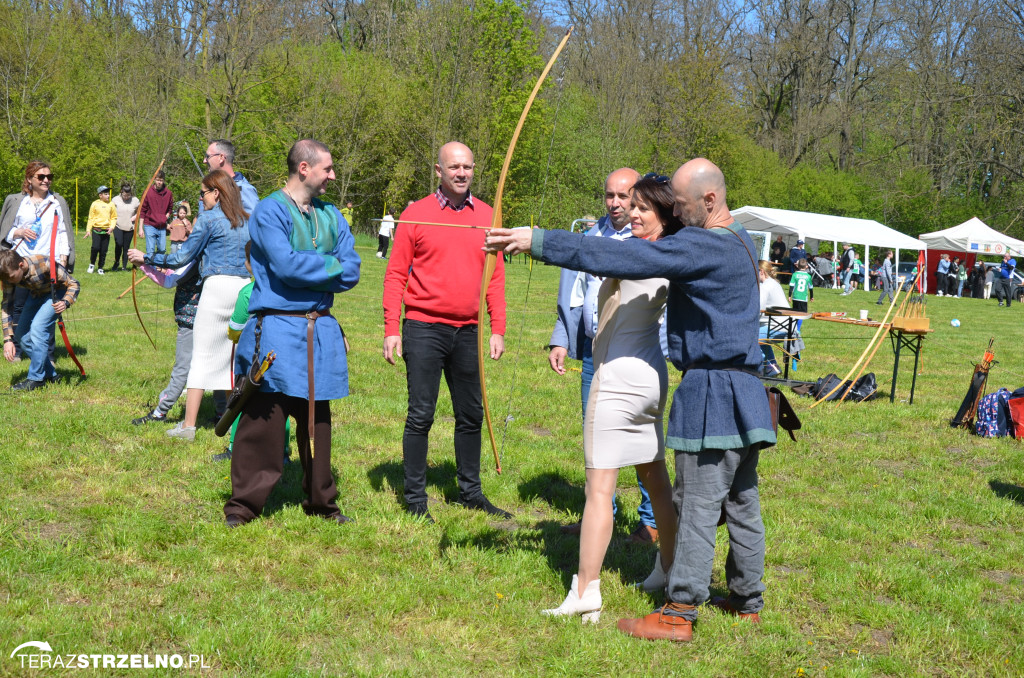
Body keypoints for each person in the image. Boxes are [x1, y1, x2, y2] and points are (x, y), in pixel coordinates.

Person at [487, 157, 775, 642]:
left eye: (681, 206)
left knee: (699, 504)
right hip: (747, 390)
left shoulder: (703, 244)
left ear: (709, 201)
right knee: (743, 502)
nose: (677, 216)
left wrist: (537, 241)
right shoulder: (741, 238)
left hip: (715, 392)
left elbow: (624, 257)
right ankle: (747, 601)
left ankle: (679, 612)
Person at [541, 174, 680, 622]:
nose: (632, 213)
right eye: (629, 205)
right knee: (655, 478)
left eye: (642, 208)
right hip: (650, 379)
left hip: (617, 377)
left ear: (662, 215)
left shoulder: (637, 252)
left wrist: (532, 240)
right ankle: (669, 567)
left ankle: (586, 590)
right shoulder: (671, 253)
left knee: (598, 489)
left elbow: (592, 252)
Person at [223, 139, 360, 527]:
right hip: (278, 328)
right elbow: (286, 267)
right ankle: (244, 506)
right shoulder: (269, 211)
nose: (333, 176)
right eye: (327, 169)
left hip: (320, 330)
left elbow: (353, 269)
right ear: (304, 168)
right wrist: (330, 264)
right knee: (263, 420)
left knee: (318, 421)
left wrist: (321, 265)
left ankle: (321, 502)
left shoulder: (331, 214)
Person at [382, 141, 510, 524]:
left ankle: (470, 493)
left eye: (468, 167)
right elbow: (394, 274)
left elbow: (496, 276)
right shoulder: (415, 214)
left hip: (469, 331)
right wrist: (392, 327)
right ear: (438, 171)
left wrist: (497, 327)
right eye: (454, 167)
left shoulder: (488, 215)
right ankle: (415, 497)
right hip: (423, 327)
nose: (462, 173)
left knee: (471, 415)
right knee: (421, 414)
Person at [549, 168, 660, 543]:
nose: (615, 203)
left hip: (636, 353)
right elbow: (573, 293)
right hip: (595, 351)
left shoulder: (649, 239)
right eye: (609, 195)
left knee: (644, 440)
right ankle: (600, 513)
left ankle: (652, 521)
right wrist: (561, 338)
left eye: (624, 196)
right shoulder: (592, 236)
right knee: (595, 434)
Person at [129, 169, 251, 441]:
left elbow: (181, 257)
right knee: (231, 362)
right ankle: (233, 425)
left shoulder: (209, 219)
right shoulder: (248, 220)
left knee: (201, 359)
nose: (201, 198)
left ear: (216, 193)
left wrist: (147, 257)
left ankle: (188, 427)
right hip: (244, 290)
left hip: (217, 289)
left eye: (203, 193)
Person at [131, 263, 203, 425]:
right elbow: (183, 275)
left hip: (191, 320)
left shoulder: (198, 252)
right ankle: (221, 412)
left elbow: (170, 281)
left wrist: (143, 264)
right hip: (208, 318)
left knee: (182, 368)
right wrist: (165, 270)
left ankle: (160, 412)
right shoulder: (210, 251)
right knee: (213, 367)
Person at [0, 249, 79, 390]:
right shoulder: (8, 275)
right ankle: (50, 374)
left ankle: (36, 378)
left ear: (21, 265)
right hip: (36, 294)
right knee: (21, 336)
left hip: (56, 294)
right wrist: (7, 339)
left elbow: (73, 283)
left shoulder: (44, 263)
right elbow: (6, 305)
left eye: (11, 277)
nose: (9, 281)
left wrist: (66, 301)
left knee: (38, 328)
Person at [203, 139, 259, 214]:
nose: (205, 161)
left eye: (208, 156)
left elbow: (253, 221)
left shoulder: (243, 189)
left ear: (221, 157)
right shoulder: (209, 189)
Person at [758, 261, 789, 376]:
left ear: (761, 271)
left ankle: (766, 367)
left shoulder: (765, 286)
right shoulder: (774, 283)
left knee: (750, 337)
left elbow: (758, 309)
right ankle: (772, 367)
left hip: (778, 327)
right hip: (787, 326)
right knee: (760, 338)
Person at [139, 170, 173, 258]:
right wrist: (140, 228)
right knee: (150, 249)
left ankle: (156, 264)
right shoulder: (147, 192)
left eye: (161, 180)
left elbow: (170, 208)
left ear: (164, 181)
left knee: (162, 249)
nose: (159, 182)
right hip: (149, 224)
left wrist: (165, 217)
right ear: (154, 180)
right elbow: (142, 210)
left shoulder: (168, 194)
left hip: (161, 225)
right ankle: (151, 269)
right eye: (157, 180)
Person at [85, 185, 117, 274]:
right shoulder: (95, 204)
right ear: (100, 195)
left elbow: (114, 217)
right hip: (96, 230)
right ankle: (92, 264)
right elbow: (91, 218)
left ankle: (100, 267)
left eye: (108, 194)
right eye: (106, 194)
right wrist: (88, 230)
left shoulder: (111, 204)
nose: (108, 196)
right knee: (95, 248)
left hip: (106, 231)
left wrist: (112, 227)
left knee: (104, 250)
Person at [110, 183, 139, 271]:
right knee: (119, 244)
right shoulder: (115, 199)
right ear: (121, 192)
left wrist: (136, 216)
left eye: (128, 195)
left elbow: (141, 210)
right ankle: (116, 262)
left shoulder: (135, 200)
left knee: (126, 247)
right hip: (118, 225)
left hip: (129, 227)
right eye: (124, 195)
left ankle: (124, 266)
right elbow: (110, 211)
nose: (126, 197)